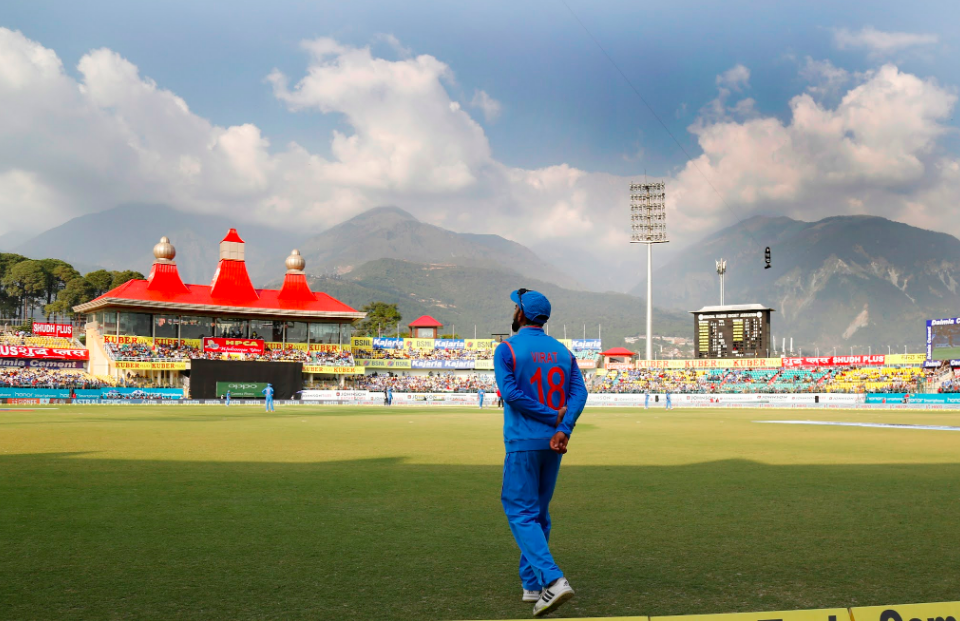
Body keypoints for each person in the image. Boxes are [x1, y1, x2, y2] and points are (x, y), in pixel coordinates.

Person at [494, 288, 588, 617]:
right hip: (553, 445)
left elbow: (511, 393)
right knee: (539, 515)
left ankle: (553, 580)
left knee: (520, 512)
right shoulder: (562, 351)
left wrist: (552, 417)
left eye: (515, 307)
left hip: (523, 441)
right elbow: (580, 392)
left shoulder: (506, 348)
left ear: (521, 314)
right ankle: (531, 584)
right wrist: (563, 428)